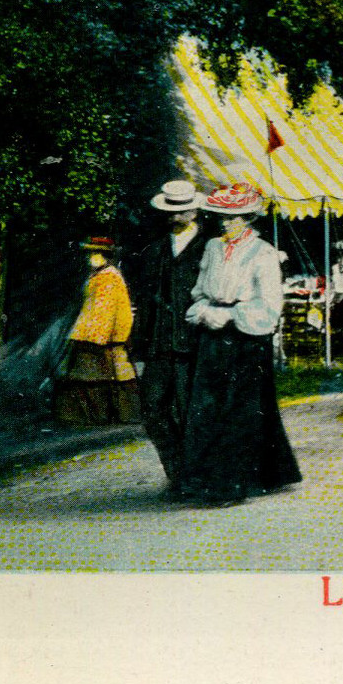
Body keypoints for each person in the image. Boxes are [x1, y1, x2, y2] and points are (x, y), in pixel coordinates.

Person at [179, 182, 301, 506]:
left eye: (233, 218)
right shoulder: (213, 249)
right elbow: (200, 290)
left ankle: (230, 484)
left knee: (241, 409)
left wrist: (233, 314)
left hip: (247, 337)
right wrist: (204, 309)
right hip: (213, 336)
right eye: (221, 217)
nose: (225, 223)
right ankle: (202, 478)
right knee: (205, 407)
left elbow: (270, 305)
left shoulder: (263, 253)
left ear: (248, 219)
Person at [127, 179, 207, 489]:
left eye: (181, 211)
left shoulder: (209, 249)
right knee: (152, 410)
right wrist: (141, 352)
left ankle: (197, 477)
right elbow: (146, 303)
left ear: (194, 211)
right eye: (170, 211)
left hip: (195, 345)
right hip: (159, 345)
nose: (174, 217)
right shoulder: (155, 250)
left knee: (192, 412)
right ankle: (178, 473)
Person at [55, 236, 140, 426]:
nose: (89, 259)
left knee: (104, 376)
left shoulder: (109, 278)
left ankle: (105, 415)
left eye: (93, 254)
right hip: (93, 333)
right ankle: (91, 415)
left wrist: (93, 336)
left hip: (101, 336)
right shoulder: (97, 276)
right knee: (96, 376)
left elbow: (104, 311)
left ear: (103, 256)